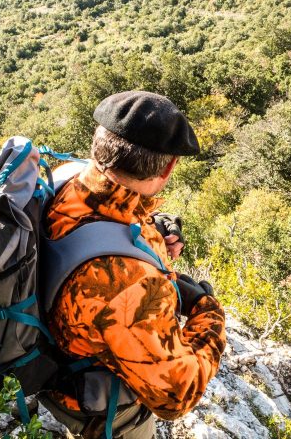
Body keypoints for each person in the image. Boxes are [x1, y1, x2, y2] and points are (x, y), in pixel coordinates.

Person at [40, 91, 227, 438]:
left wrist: (152, 226)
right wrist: (208, 312)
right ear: (168, 167)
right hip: (106, 415)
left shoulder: (68, 178)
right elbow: (176, 397)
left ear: (100, 144)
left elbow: (94, 227)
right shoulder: (129, 286)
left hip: (64, 358)